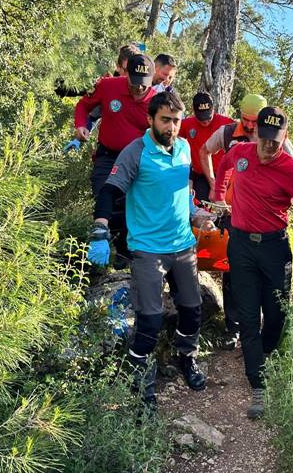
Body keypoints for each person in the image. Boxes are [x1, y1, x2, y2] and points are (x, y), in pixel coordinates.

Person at [87, 91, 209, 412]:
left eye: (177, 121)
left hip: (182, 244)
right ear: (151, 119)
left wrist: (195, 213)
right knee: (150, 320)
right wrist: (100, 230)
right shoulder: (135, 152)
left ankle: (187, 357)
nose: (172, 127)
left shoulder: (183, 148)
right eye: (165, 120)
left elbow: (183, 191)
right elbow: (109, 191)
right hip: (147, 249)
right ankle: (141, 381)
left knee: (193, 309)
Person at [212, 106, 293, 419]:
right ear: (255, 133)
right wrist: (219, 194)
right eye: (265, 139)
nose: (269, 146)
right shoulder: (241, 153)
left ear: (284, 138)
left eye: (276, 141)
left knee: (275, 314)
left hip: (275, 250)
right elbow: (223, 165)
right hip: (241, 246)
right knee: (248, 317)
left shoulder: (292, 169)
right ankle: (257, 382)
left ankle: (264, 350)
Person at [74, 54, 157, 260]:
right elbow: (83, 105)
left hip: (137, 162)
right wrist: (81, 126)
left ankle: (124, 254)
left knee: (130, 206)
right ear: (125, 72)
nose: (139, 89)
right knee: (103, 194)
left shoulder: (156, 101)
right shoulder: (108, 86)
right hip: (107, 156)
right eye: (135, 82)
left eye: (144, 84)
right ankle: (102, 242)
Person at [61, 44, 142, 152]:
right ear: (118, 67)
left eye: (134, 71)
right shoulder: (108, 83)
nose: (130, 76)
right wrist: (81, 126)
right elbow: (85, 104)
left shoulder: (147, 89)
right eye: (127, 70)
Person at [179, 91, 234, 203]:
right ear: (194, 111)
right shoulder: (187, 124)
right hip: (200, 177)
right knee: (201, 210)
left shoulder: (227, 124)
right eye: (201, 118)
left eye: (208, 117)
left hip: (223, 178)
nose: (205, 121)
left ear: (213, 109)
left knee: (224, 212)